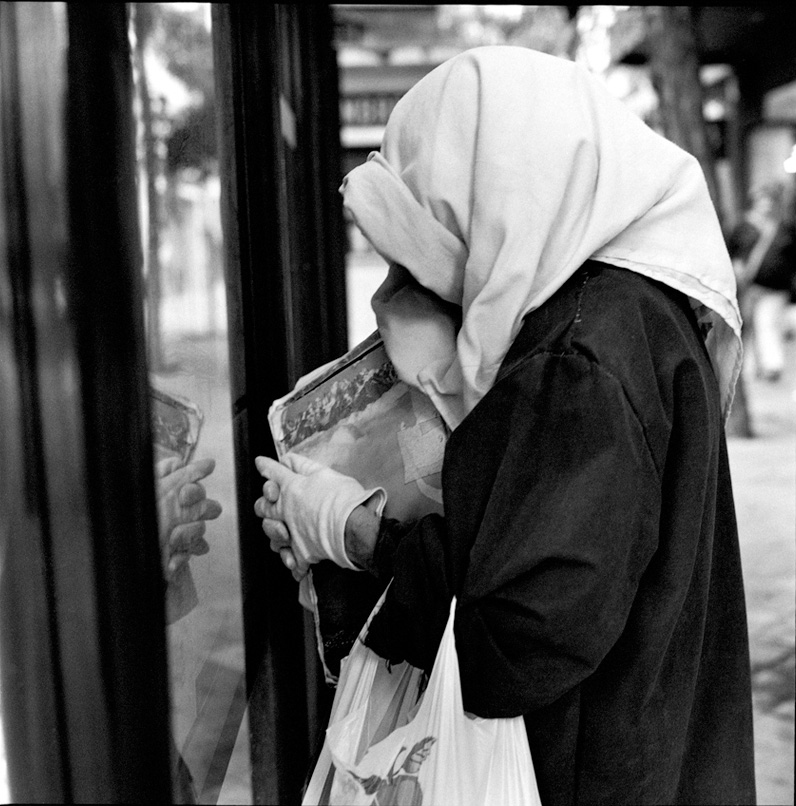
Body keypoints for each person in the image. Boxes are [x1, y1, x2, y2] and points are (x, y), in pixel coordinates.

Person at [255, 46, 756, 805]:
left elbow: (516, 639)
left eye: (430, 240)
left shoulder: (578, 357)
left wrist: (355, 535)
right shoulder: (631, 314)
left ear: (493, 200)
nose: (409, 287)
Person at [727, 181, 796, 382]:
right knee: (747, 325)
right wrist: (737, 268)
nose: (766, 205)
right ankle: (748, 367)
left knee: (767, 323)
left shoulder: (784, 229)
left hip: (775, 288)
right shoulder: (743, 227)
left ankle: (771, 365)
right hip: (748, 286)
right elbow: (732, 251)